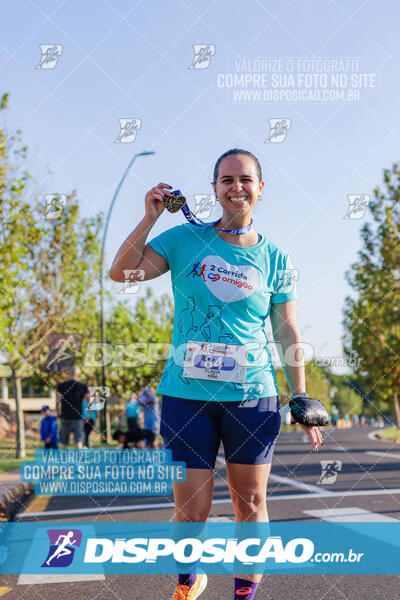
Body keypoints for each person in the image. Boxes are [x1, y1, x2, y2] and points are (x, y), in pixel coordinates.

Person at [109, 148, 324, 600]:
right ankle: (188, 582)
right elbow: (121, 272)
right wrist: (148, 217)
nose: (236, 187)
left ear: (260, 189)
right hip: (186, 396)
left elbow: (286, 329)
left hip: (252, 395)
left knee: (250, 503)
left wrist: (300, 395)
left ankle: (243, 595)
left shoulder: (276, 257)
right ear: (214, 189)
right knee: (191, 509)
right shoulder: (183, 240)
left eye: (245, 179)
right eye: (226, 180)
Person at [56, 366, 89, 449]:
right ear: (78, 374)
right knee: (78, 441)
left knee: (64, 442)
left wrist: (58, 413)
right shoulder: (83, 386)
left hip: (65, 416)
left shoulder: (62, 386)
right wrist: (89, 415)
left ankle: (64, 461)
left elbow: (57, 401)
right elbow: (89, 400)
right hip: (77, 418)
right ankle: (77, 462)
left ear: (69, 374)